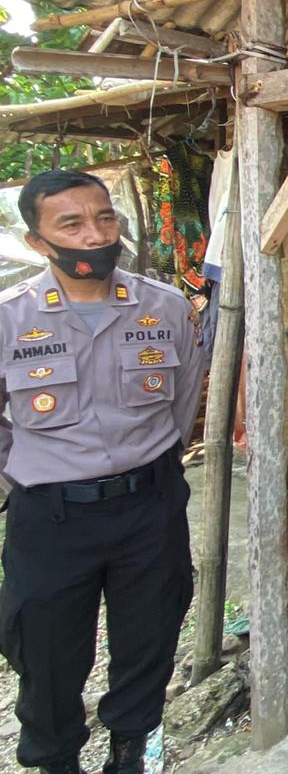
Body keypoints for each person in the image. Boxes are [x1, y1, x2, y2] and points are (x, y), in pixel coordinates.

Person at [0, 170, 206, 774]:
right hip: (52, 516)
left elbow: (183, 400)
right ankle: (55, 758)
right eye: (72, 223)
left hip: (148, 504)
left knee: (149, 639)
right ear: (38, 241)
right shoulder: (10, 319)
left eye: (105, 218)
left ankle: (130, 751)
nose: (95, 234)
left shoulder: (165, 308)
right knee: (46, 651)